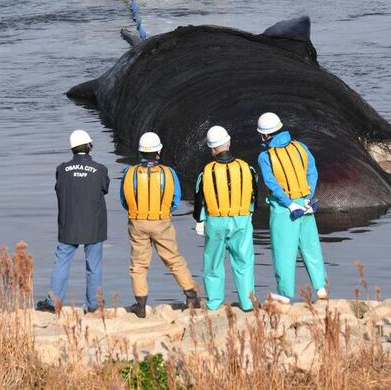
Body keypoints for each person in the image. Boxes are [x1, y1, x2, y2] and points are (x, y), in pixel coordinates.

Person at [120, 132, 200, 317]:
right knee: (173, 259)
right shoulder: (168, 172)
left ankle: (140, 305)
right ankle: (191, 295)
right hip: (162, 221)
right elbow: (176, 198)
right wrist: (164, 211)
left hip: (137, 221)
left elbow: (124, 200)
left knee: (138, 264)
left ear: (140, 152)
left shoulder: (129, 172)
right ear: (159, 151)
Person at [256, 112, 327, 303]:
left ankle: (285, 294)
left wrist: (289, 204)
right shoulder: (301, 147)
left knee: (284, 252)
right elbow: (312, 171)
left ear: (265, 136)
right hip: (305, 203)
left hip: (284, 209)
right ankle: (321, 288)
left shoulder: (265, 156)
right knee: (311, 247)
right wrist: (308, 197)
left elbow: (271, 184)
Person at [36, 130, 110, 313]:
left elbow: (59, 188)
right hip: (94, 225)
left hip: (68, 223)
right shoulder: (100, 169)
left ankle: (53, 302)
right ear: (89, 147)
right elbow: (104, 188)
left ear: (72, 149)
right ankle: (93, 305)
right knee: (94, 266)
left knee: (62, 263)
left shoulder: (61, 169)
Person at [194, 126, 257, 311]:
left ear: (212, 149)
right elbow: (255, 192)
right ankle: (247, 303)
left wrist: (199, 219)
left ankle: (214, 303)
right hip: (242, 219)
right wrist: (250, 212)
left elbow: (199, 198)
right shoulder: (246, 168)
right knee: (244, 262)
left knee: (213, 262)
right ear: (229, 143)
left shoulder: (206, 171)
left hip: (215, 220)